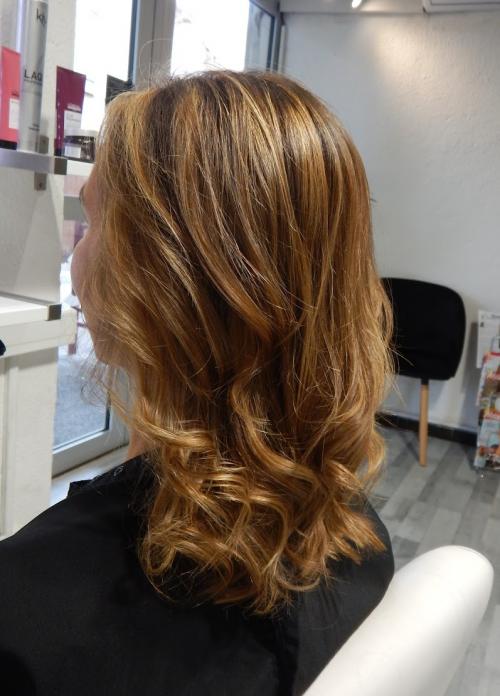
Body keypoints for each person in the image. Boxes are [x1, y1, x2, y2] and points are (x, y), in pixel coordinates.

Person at [0, 69, 395, 696]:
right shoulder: (362, 540)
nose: (76, 256)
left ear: (161, 282)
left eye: (93, 221)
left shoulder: (30, 611)